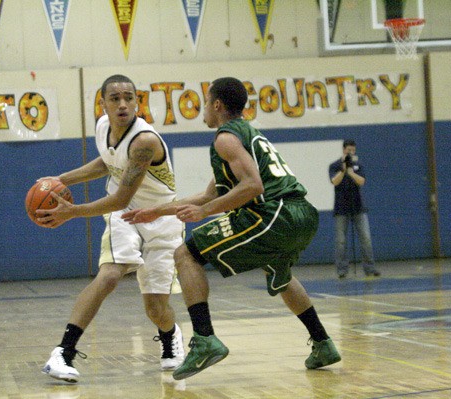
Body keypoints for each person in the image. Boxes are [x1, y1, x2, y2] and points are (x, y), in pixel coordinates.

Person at [122, 77, 341, 380]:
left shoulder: (225, 139)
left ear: (217, 105)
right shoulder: (246, 133)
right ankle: (323, 343)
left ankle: (205, 338)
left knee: (187, 253)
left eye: (205, 101)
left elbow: (252, 186)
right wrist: (156, 212)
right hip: (301, 214)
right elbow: (209, 195)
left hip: (273, 215)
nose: (203, 108)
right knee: (277, 270)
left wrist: (203, 212)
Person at [37, 74, 185, 383]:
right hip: (126, 215)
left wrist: (72, 212)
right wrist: (61, 180)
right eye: (114, 98)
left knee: (156, 308)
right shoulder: (104, 127)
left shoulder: (145, 141)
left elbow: (120, 195)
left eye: (128, 98)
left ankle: (171, 336)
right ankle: (63, 352)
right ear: (102, 103)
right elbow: (108, 162)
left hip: (161, 217)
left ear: (136, 101)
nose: (122, 104)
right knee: (110, 275)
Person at [329, 139, 380, 279]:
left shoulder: (358, 165)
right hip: (341, 208)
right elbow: (334, 181)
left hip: (358, 206)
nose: (351, 152)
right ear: (343, 150)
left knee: (366, 238)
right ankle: (342, 270)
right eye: (348, 150)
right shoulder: (334, 166)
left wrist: (351, 172)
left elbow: (361, 181)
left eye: (353, 150)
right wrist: (343, 170)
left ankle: (370, 268)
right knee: (341, 241)